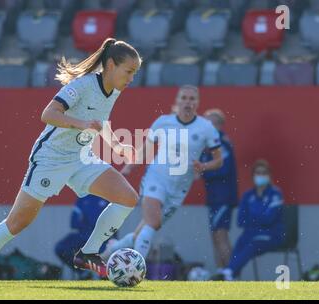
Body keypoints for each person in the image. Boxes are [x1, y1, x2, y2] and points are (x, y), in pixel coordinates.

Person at [0, 38, 142, 286]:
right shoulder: (83, 84)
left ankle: (88, 252)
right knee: (17, 223)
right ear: (110, 65)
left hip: (80, 157)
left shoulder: (114, 90)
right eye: (129, 71)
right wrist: (81, 124)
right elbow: (48, 114)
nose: (131, 78)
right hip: (50, 159)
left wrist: (117, 146)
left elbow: (101, 120)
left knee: (128, 198)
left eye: (135, 73)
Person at [102, 85, 223, 260]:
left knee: (147, 228)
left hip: (180, 187)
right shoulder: (163, 122)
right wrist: (129, 167)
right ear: (178, 101)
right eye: (184, 98)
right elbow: (146, 150)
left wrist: (204, 166)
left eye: (192, 98)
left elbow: (219, 161)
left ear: (197, 103)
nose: (188, 102)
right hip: (156, 178)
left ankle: (115, 248)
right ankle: (136, 268)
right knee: (152, 223)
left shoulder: (206, 128)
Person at [212, 159, 285, 281]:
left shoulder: (275, 194)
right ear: (253, 176)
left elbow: (269, 219)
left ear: (269, 175)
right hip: (251, 234)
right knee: (241, 242)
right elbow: (240, 221)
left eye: (264, 172)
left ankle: (229, 272)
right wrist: (260, 215)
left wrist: (253, 216)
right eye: (258, 173)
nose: (261, 176)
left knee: (251, 244)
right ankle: (230, 274)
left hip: (272, 235)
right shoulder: (248, 195)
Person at [200, 109, 238, 274]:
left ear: (219, 125)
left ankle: (230, 273)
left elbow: (223, 168)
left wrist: (203, 170)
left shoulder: (221, 144)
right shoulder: (210, 145)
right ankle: (221, 272)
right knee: (215, 235)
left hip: (222, 197)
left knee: (221, 235)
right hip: (214, 197)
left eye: (210, 123)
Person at [55, 195, 111, 279]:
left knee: (106, 250)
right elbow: (74, 223)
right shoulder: (82, 198)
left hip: (102, 236)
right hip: (83, 235)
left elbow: (112, 224)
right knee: (61, 248)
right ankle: (83, 273)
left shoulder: (107, 198)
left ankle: (104, 275)